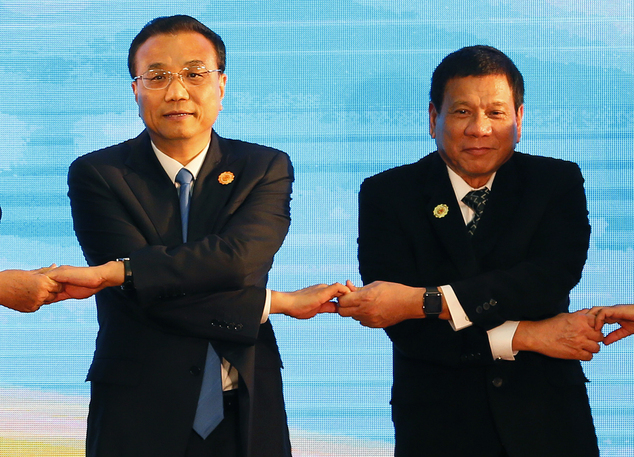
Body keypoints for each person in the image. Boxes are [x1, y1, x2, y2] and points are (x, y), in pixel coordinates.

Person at [49, 15, 347, 457]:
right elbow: (142, 295)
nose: (177, 91)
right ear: (136, 90)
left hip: (247, 405)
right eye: (157, 76)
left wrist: (121, 272)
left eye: (194, 74)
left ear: (221, 85)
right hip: (136, 412)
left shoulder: (264, 168)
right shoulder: (99, 174)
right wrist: (276, 303)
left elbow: (239, 262)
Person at [337, 45, 602, 457]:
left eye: (496, 112)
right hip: (438, 425)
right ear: (433, 118)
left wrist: (423, 300)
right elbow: (400, 322)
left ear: (519, 119)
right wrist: (524, 335)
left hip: (546, 421)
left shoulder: (555, 182)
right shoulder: (387, 194)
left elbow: (547, 282)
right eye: (462, 112)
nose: (480, 129)